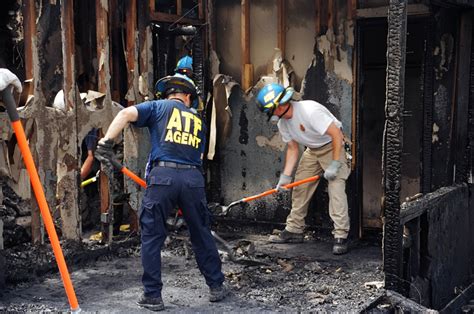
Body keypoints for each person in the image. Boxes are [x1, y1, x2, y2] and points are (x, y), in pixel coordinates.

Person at [95, 73, 227, 311]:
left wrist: (106, 143)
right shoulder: (199, 120)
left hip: (163, 176)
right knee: (201, 233)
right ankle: (216, 286)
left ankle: (153, 296)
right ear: (187, 97)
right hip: (193, 178)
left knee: (152, 236)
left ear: (169, 94)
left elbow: (125, 114)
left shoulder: (157, 107)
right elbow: (197, 156)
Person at [256, 83, 351, 255]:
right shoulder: (283, 123)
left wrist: (335, 163)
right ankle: (294, 229)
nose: (270, 115)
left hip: (333, 146)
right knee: (300, 186)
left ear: (280, 105)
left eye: (270, 110)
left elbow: (336, 134)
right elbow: (292, 149)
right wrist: (285, 177)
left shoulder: (309, 111)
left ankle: (341, 235)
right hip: (312, 150)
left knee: (336, 189)